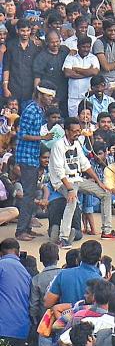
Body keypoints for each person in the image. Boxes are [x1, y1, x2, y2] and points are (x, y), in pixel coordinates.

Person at [50, 116, 115, 248]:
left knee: (105, 194)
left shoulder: (77, 144)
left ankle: (107, 231)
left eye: (79, 130)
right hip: (63, 182)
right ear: (66, 131)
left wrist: (99, 182)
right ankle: (63, 237)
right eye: (74, 131)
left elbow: (85, 165)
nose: (78, 133)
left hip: (77, 179)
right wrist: (70, 190)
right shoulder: (58, 145)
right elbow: (59, 171)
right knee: (72, 200)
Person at [14, 81, 56, 241]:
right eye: (48, 96)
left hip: (32, 155)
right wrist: (43, 138)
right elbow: (23, 134)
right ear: (40, 94)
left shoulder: (40, 109)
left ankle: (27, 228)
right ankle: (20, 231)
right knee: (28, 195)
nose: (50, 99)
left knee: (30, 195)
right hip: (27, 157)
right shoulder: (32, 109)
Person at [0, 238, 31, 346]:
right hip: (21, 329)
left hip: (3, 326)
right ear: (18, 252)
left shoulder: (1, 265)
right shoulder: (25, 272)